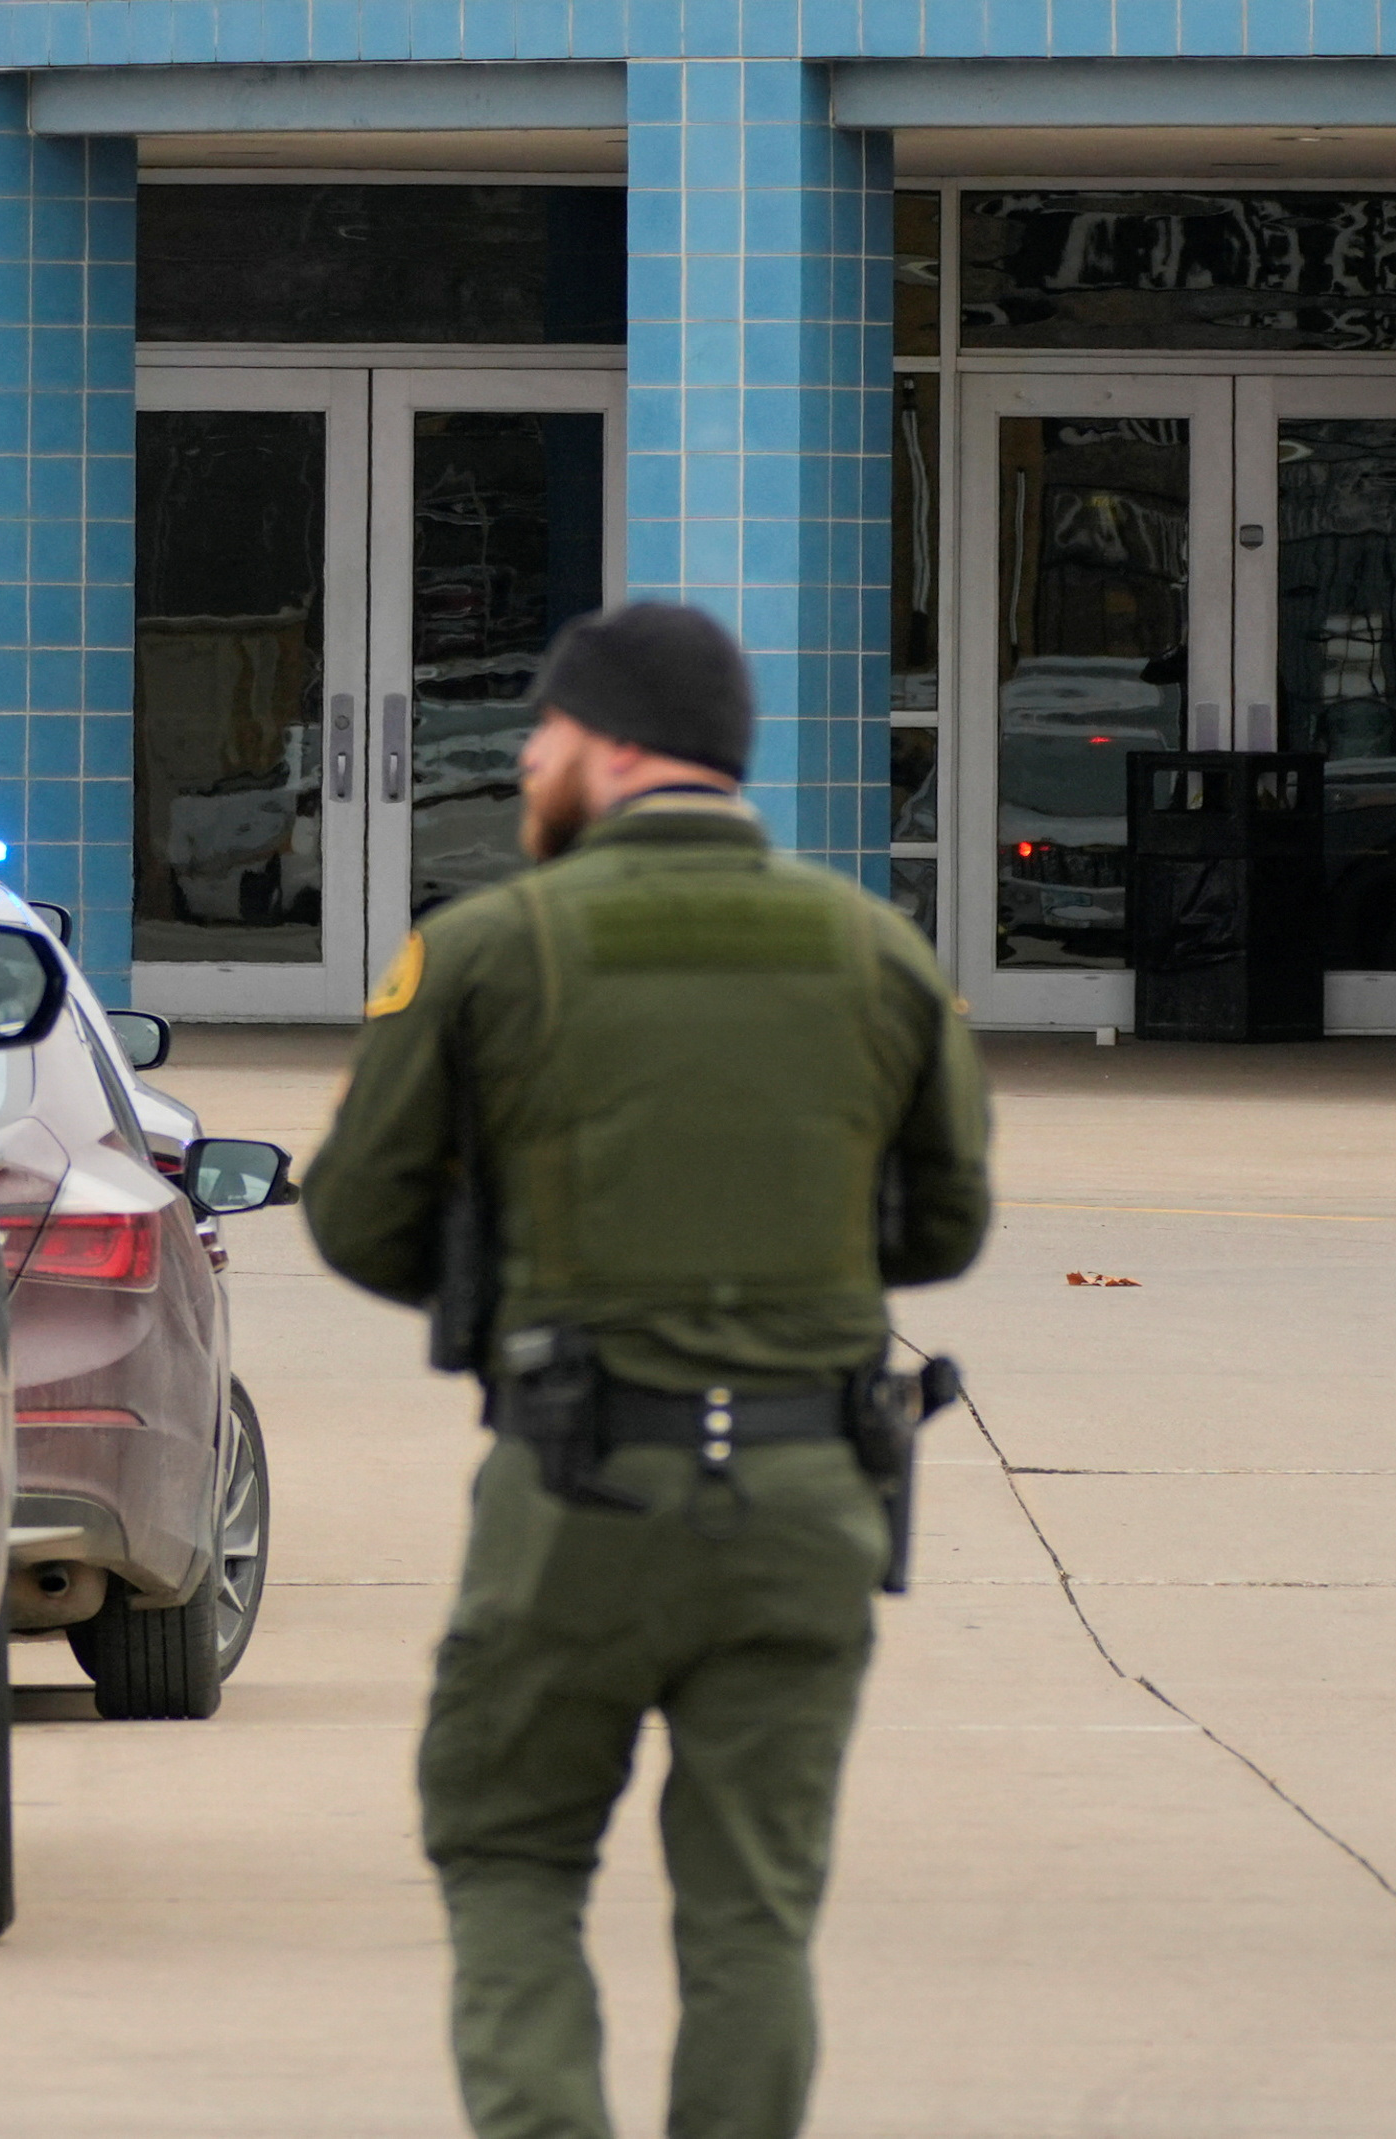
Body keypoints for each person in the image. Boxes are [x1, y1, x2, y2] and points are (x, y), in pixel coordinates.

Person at [304, 602, 990, 2139]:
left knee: (510, 1852)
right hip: (817, 1492)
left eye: (541, 733)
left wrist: (510, 1283)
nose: (528, 762)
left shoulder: (485, 947)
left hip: (577, 1485)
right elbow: (947, 1225)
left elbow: (355, 1216)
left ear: (612, 743)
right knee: (754, 1907)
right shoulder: (879, 949)